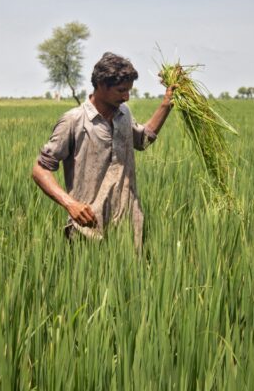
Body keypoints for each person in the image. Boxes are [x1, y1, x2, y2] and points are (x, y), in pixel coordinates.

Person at [32, 52, 175, 251]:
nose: (126, 97)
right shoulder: (74, 121)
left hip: (127, 225)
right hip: (88, 227)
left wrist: (166, 104)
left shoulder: (124, 114)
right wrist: (70, 204)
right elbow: (40, 170)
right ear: (100, 85)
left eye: (129, 91)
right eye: (120, 90)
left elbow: (142, 140)